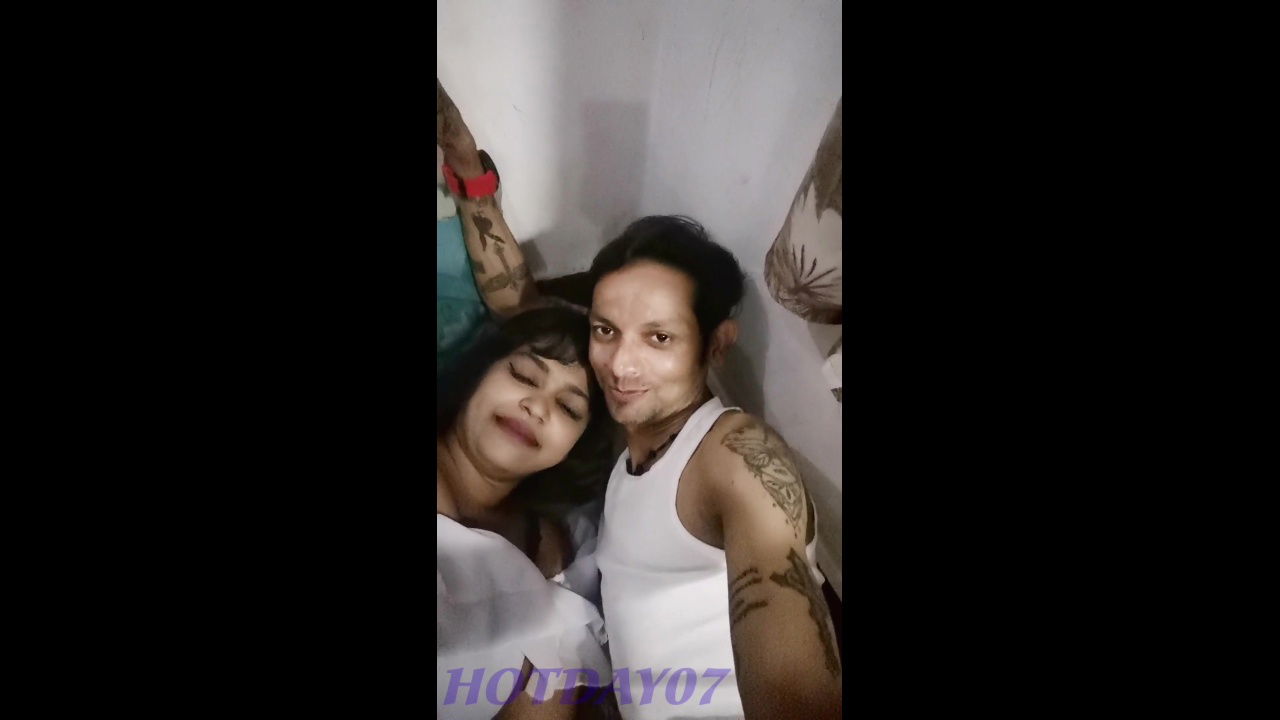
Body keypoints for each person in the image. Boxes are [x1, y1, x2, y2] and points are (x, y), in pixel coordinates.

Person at [440, 79, 842, 718]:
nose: (621, 364)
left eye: (659, 337)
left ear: (717, 344)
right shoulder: (619, 454)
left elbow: (791, 660)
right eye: (606, 330)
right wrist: (467, 168)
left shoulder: (734, 455)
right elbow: (524, 316)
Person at [436, 307, 619, 718]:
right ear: (477, 373)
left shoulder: (554, 551)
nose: (537, 407)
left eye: (569, 408)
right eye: (524, 375)